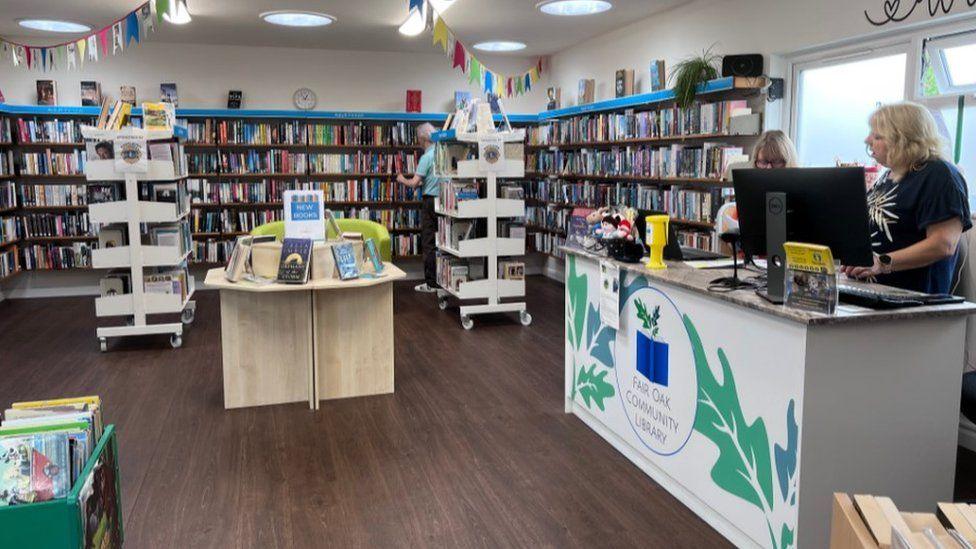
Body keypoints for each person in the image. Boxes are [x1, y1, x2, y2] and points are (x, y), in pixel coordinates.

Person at [842, 102, 972, 294]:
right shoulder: (889, 175)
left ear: (903, 140)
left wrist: (883, 262)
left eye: (878, 136)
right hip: (872, 291)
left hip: (913, 300)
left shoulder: (939, 175)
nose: (868, 140)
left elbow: (943, 244)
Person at [397, 123, 446, 293]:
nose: (418, 141)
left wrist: (402, 179)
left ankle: (431, 283)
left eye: (418, 138)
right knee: (444, 242)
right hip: (445, 201)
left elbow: (414, 183)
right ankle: (444, 280)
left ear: (423, 138)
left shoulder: (426, 157)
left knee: (429, 242)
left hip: (430, 202)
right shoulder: (442, 152)